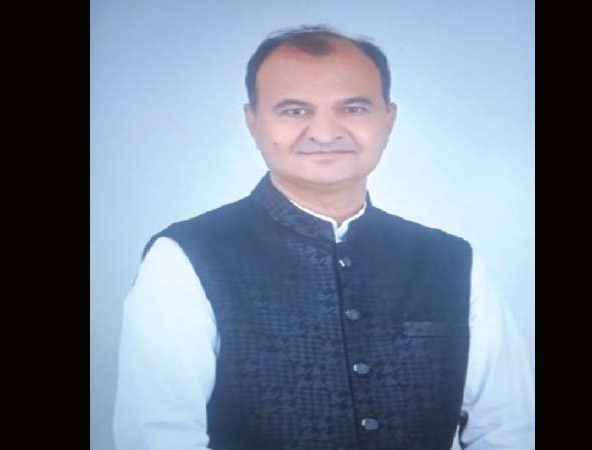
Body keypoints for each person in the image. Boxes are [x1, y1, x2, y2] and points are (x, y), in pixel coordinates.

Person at [113, 25, 534, 450]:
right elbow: (158, 439)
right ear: (253, 122)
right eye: (294, 110)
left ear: (388, 120)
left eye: (353, 108)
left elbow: (507, 431)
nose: (325, 132)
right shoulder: (184, 258)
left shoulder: (453, 262)